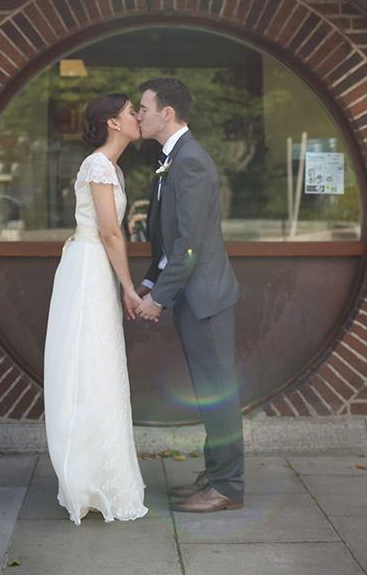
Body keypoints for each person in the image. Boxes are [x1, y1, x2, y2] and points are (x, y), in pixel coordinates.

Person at [135, 78, 244, 513]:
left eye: (143, 108)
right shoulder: (173, 159)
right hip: (194, 297)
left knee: (219, 393)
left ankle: (228, 486)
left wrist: (158, 298)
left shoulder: (191, 161)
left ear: (167, 113)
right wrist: (147, 283)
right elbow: (169, 242)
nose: (137, 115)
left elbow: (190, 245)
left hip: (206, 300)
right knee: (209, 392)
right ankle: (216, 472)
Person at [44, 93, 148, 525]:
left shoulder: (113, 167)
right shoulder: (99, 165)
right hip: (89, 269)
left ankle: (102, 473)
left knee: (100, 367)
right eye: (130, 112)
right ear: (113, 122)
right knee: (90, 367)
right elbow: (110, 233)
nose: (137, 117)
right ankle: (88, 478)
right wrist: (128, 287)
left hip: (94, 269)